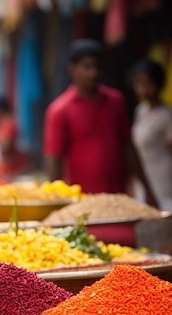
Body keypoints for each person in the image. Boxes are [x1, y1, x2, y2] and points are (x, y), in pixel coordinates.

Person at [43, 39, 156, 204]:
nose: (93, 73)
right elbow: (55, 161)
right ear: (72, 70)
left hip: (118, 196)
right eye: (86, 67)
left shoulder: (116, 101)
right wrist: (54, 202)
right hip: (81, 201)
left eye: (97, 67)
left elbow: (128, 147)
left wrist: (148, 190)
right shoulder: (60, 110)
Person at [131, 59, 172, 206]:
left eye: (148, 84)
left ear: (159, 85)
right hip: (143, 181)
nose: (143, 89)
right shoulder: (140, 111)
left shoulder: (166, 116)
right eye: (139, 84)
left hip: (163, 182)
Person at [0, 97, 28, 178]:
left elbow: (5, 146)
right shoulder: (0, 124)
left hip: (11, 169)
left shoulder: (9, 124)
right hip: (2, 168)